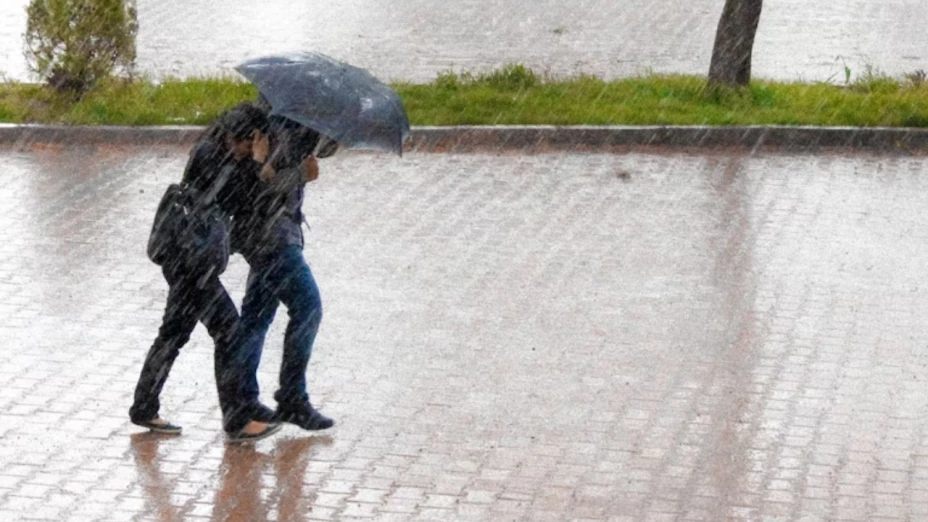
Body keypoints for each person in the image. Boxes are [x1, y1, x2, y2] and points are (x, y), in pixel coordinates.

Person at [130, 103, 281, 443]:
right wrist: (258, 166)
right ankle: (237, 419)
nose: (254, 148)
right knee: (229, 330)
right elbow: (243, 201)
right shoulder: (218, 157)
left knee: (173, 332)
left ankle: (144, 406)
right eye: (255, 141)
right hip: (191, 263)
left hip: (183, 257)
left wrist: (255, 167)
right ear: (246, 137)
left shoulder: (214, 149)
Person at [231, 115, 335, 431]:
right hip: (271, 238)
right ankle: (290, 397)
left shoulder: (298, 120)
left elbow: (323, 149)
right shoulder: (274, 126)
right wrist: (300, 174)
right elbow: (260, 189)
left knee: (256, 317)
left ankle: (242, 401)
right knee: (308, 307)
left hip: (270, 235)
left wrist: (335, 132)